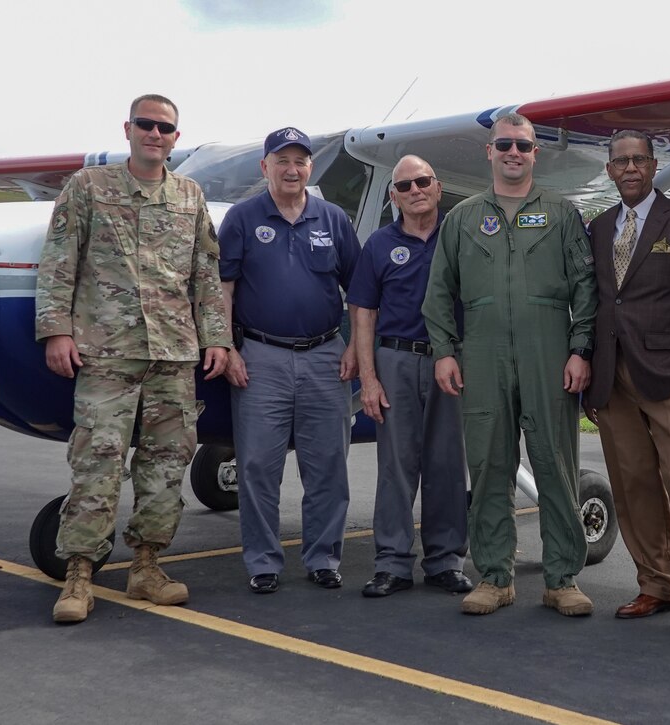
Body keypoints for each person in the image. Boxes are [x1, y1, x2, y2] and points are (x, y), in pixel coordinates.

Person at [35, 94, 230, 624]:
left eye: (165, 127)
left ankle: (147, 565)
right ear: (127, 129)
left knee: (167, 463)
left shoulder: (190, 195)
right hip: (106, 350)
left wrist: (217, 338)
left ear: (175, 137)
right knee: (96, 460)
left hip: (173, 354)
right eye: (146, 124)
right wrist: (55, 330)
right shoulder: (89, 187)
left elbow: (205, 276)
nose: (155, 133)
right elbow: (59, 262)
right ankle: (79, 573)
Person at [423, 113, 598, 616]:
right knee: (489, 463)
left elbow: (586, 287)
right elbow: (438, 294)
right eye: (504, 145)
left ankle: (562, 577)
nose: (513, 153)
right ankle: (495, 577)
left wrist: (579, 348)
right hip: (482, 352)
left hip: (548, 349)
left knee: (555, 463)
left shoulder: (562, 213)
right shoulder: (462, 219)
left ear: (535, 153)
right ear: (490, 151)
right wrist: (444, 353)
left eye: (523, 145)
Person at [583, 130, 670, 636]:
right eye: (619, 161)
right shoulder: (598, 228)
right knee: (632, 483)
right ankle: (656, 582)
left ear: (653, 163)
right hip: (611, 376)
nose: (629, 169)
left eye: (638, 159)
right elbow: (600, 302)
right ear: (609, 170)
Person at [218, 127, 361, 594]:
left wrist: (356, 346)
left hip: (324, 356)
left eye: (300, 161)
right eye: (282, 160)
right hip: (260, 358)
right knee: (258, 466)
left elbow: (360, 290)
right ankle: (263, 562)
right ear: (265, 167)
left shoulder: (333, 218)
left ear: (310, 168)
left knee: (328, 465)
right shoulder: (241, 218)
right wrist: (229, 347)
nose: (291, 169)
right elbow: (224, 288)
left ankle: (323, 558)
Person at [346, 155, 472, 599]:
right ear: (393, 196)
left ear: (438, 188)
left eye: (423, 182)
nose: (415, 190)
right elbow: (363, 313)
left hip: (450, 361)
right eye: (405, 186)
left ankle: (445, 561)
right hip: (395, 360)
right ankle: (392, 563)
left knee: (447, 465)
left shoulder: (461, 239)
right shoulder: (379, 245)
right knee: (395, 467)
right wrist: (370, 379)